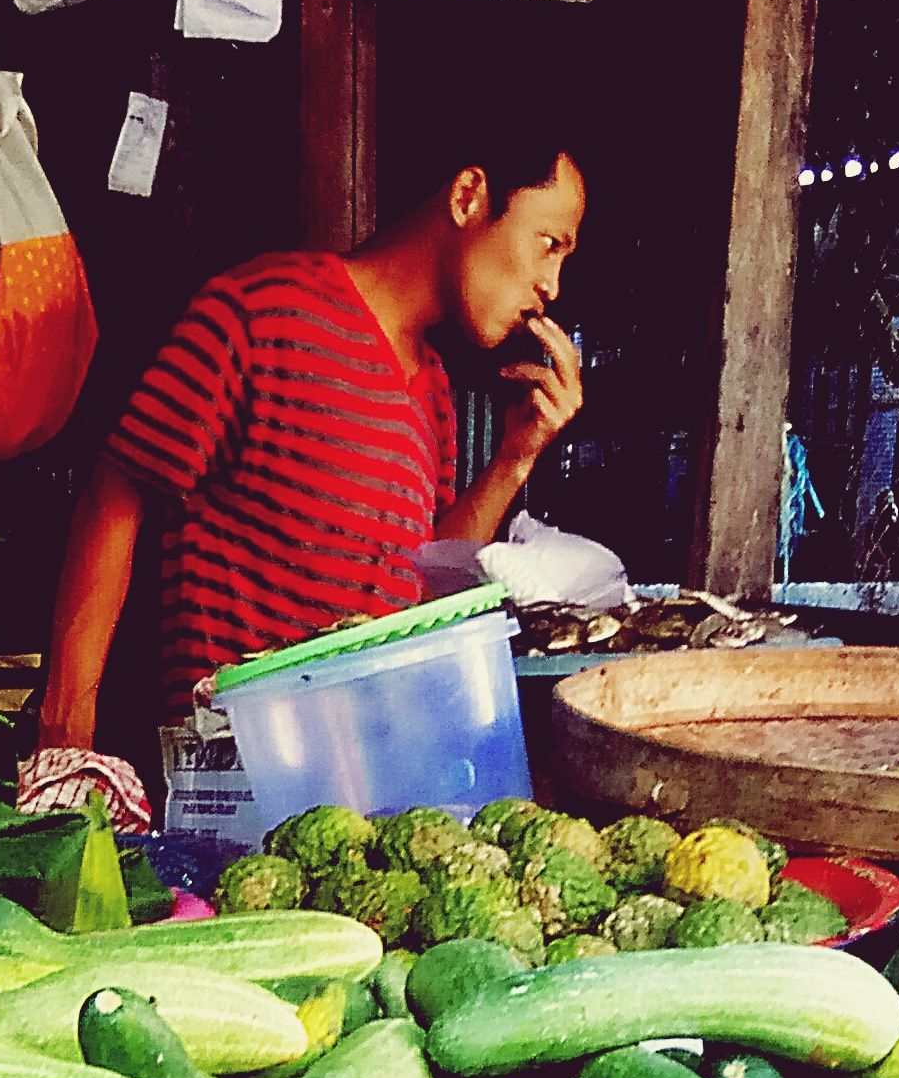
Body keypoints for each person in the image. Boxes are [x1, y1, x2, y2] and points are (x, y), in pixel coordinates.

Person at [31, 111, 587, 773]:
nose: (550, 288)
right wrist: (65, 734)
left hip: (358, 785)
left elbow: (421, 585)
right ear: (470, 197)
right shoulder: (262, 311)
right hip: (230, 777)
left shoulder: (432, 388)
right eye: (548, 243)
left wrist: (515, 458)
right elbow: (116, 494)